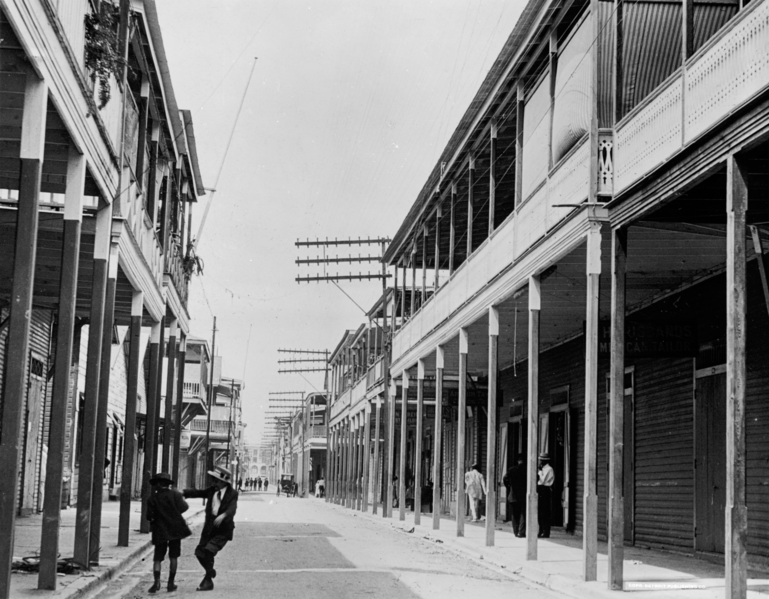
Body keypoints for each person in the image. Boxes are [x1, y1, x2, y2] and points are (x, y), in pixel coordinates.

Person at [183, 466, 239, 591]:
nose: (214, 483)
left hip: (223, 529)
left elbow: (232, 508)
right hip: (209, 528)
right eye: (214, 480)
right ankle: (210, 571)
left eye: (217, 481)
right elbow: (199, 492)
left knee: (209, 551)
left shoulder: (232, 493)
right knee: (199, 552)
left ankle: (207, 581)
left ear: (224, 482)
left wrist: (223, 515)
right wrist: (184, 492)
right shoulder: (212, 490)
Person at [146, 472, 191, 593]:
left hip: (160, 530)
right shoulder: (175, 495)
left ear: (158, 484)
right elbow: (185, 507)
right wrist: (174, 513)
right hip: (175, 529)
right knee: (173, 556)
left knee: (158, 557)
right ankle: (171, 583)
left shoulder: (152, 499)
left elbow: (149, 516)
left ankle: (156, 582)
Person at [503, 456, 527, 537]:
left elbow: (505, 478)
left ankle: (516, 532)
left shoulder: (512, 469)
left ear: (518, 461)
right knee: (523, 514)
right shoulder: (527, 469)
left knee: (514, 514)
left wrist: (509, 487)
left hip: (513, 495)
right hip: (523, 495)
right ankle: (521, 531)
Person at [537, 453, 554, 538]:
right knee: (539, 512)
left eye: (541, 460)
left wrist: (539, 472)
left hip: (545, 489)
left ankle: (545, 531)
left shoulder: (549, 469)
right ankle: (540, 530)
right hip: (540, 489)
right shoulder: (542, 469)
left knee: (545, 512)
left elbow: (543, 480)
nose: (539, 462)